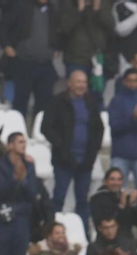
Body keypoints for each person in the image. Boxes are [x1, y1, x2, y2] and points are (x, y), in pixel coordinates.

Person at [43, 70, 102, 212]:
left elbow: (99, 128)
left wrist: (93, 151)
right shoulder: (57, 102)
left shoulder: (91, 102)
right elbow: (46, 127)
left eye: (84, 82)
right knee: (59, 197)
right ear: (69, 83)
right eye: (78, 82)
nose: (82, 85)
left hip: (86, 160)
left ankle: (83, 226)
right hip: (63, 159)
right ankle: (54, 224)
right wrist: (61, 148)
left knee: (82, 200)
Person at [0, 132, 41, 255]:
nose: (24, 145)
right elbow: (0, 191)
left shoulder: (29, 165)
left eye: (25, 142)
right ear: (10, 145)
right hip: (3, 219)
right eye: (20, 142)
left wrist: (23, 180)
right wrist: (15, 179)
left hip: (22, 219)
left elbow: (33, 193)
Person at [107, 67, 137, 190]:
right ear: (124, 82)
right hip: (120, 153)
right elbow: (114, 126)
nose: (132, 84)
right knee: (116, 191)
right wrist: (132, 119)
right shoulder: (116, 101)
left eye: (135, 81)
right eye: (130, 80)